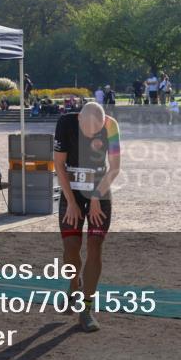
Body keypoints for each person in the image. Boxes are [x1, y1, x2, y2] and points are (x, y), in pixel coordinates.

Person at [54, 102, 121, 332]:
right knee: (71, 247)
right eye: (88, 131)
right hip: (71, 191)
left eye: (97, 130)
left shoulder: (111, 127)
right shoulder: (65, 123)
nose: (93, 135)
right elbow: (59, 165)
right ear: (79, 119)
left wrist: (95, 197)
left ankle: (86, 308)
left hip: (99, 189)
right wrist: (71, 202)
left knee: (95, 245)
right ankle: (74, 285)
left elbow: (114, 167)